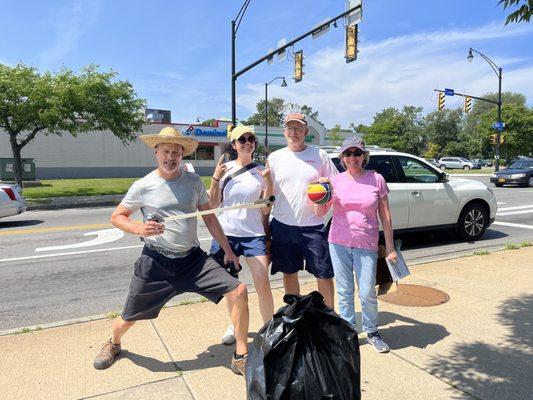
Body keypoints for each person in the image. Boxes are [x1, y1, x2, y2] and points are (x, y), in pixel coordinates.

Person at [92, 126, 249, 376]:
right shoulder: (143, 185)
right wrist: (139, 228)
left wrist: (228, 251)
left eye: (176, 152)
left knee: (238, 290)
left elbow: (209, 218)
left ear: (182, 154)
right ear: (156, 152)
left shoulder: (193, 182)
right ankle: (114, 343)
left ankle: (241, 354)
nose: (171, 157)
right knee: (129, 317)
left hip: (193, 261)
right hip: (156, 263)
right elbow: (117, 216)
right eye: (166, 151)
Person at [313, 136, 397, 353]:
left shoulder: (376, 179)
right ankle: (348, 333)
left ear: (364, 156)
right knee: (344, 290)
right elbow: (320, 212)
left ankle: (372, 331)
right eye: (348, 154)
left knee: (367, 290)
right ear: (342, 158)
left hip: (366, 243)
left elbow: (386, 216)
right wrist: (318, 194)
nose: (353, 158)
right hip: (338, 242)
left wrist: (390, 248)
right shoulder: (335, 181)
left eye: (357, 153)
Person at [208, 125, 275, 345]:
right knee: (231, 286)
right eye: (242, 139)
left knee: (262, 281)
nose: (247, 142)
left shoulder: (261, 171)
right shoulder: (224, 168)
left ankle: (269, 328)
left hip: (253, 234)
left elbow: (266, 209)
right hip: (227, 234)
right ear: (234, 144)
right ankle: (235, 326)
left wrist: (269, 183)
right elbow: (213, 204)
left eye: (251, 139)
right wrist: (215, 179)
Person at [267, 113, 338, 308]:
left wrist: (327, 187)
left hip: (313, 226)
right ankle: (295, 315)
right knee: (289, 272)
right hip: (283, 226)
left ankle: (329, 317)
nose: (294, 132)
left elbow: (336, 183)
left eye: (298, 128)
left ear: (306, 132)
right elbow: (268, 192)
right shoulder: (274, 158)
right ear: (284, 132)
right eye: (290, 128)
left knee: (323, 273)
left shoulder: (319, 155)